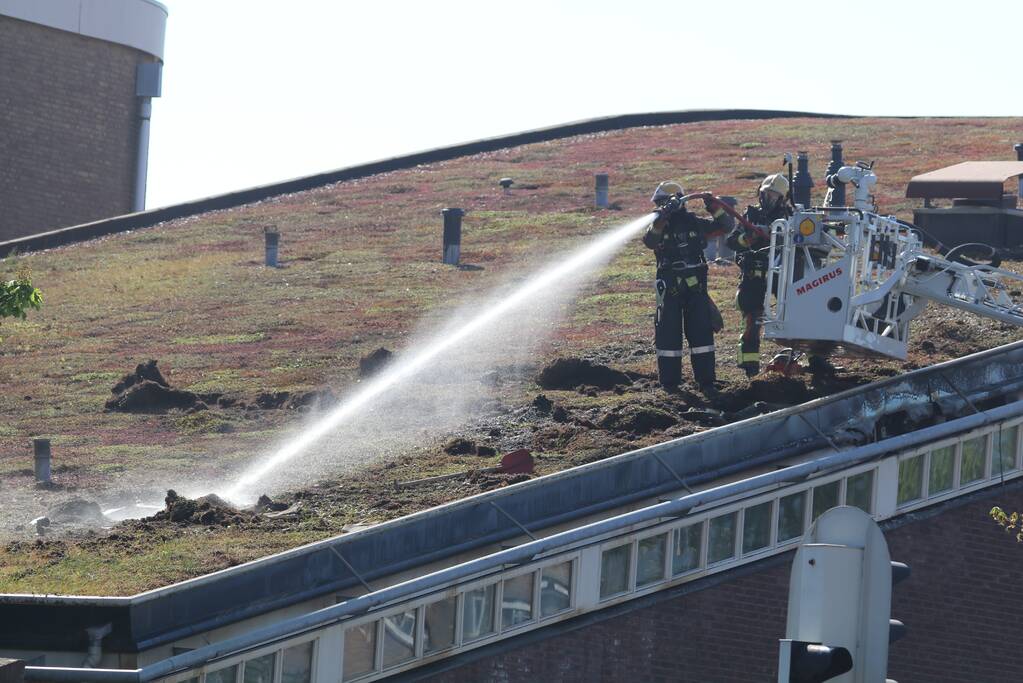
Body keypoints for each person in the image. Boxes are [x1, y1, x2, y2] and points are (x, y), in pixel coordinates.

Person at [643, 181, 732, 392]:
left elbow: (726, 227)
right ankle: (670, 384)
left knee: (701, 332)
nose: (659, 207)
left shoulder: (694, 223)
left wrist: (713, 206)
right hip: (669, 286)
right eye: (658, 204)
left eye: (663, 203)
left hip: (696, 286)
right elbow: (650, 241)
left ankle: (706, 382)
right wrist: (663, 218)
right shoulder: (657, 224)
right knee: (668, 333)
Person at [726, 173, 791, 377]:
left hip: (781, 276)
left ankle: (813, 359)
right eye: (765, 194)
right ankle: (750, 369)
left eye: (773, 196)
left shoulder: (790, 217)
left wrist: (779, 234)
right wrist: (747, 238)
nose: (767, 199)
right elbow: (731, 241)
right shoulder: (750, 215)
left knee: (797, 315)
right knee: (752, 322)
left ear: (782, 198)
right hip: (753, 276)